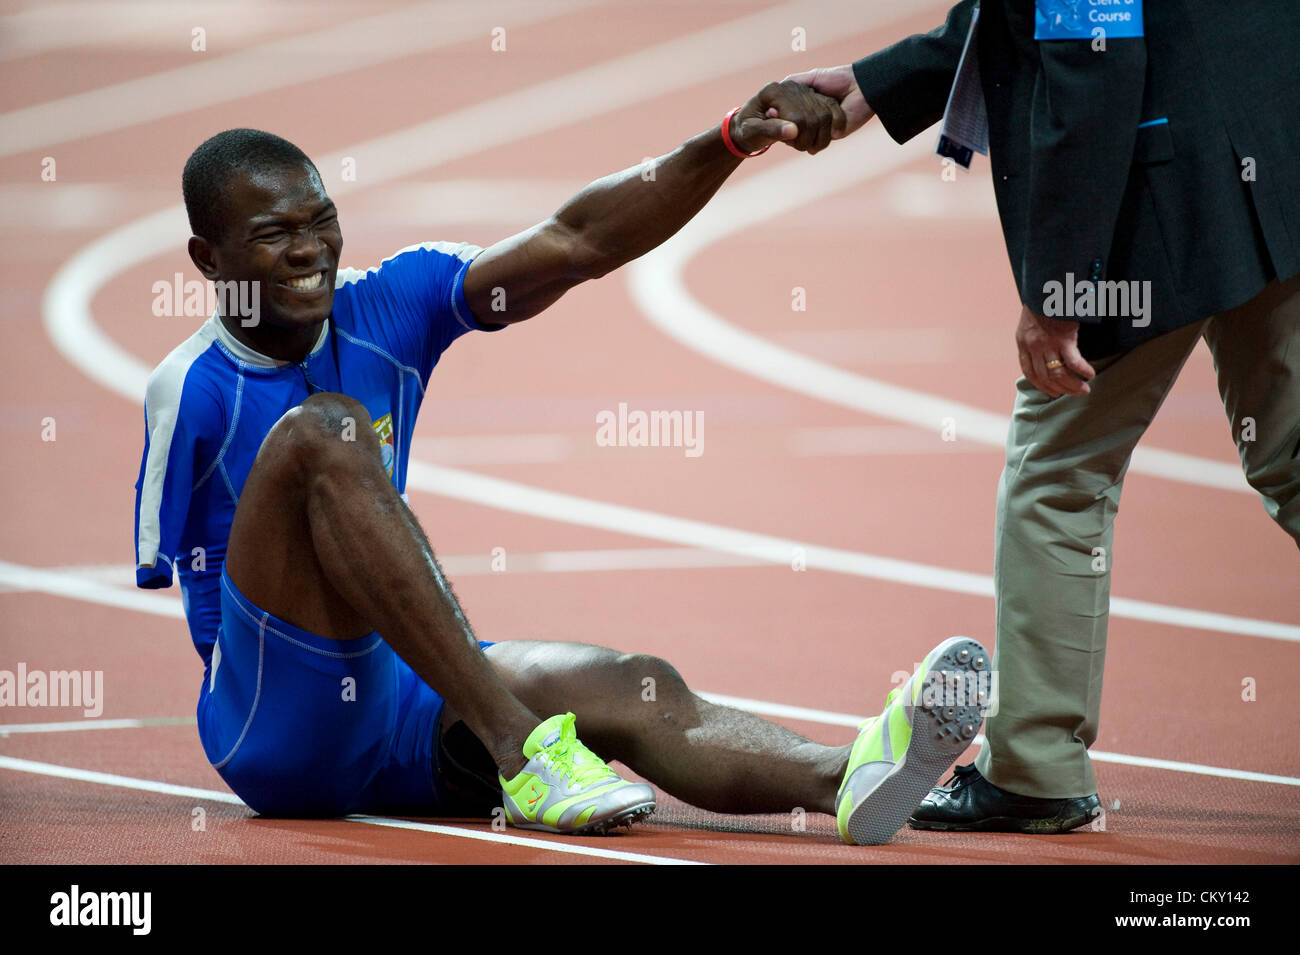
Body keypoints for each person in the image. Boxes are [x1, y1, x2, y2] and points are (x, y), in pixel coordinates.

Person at [132, 82, 990, 846]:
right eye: (275, 234)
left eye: (320, 221)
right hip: (273, 721)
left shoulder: (390, 301)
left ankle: (846, 775)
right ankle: (520, 752)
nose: (310, 249)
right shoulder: (190, 388)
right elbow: (198, 603)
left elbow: (576, 240)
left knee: (629, 684)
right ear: (209, 260)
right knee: (325, 431)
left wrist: (726, 139)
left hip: (393, 702)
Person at [789, 1, 1300, 833]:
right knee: (1291, 451)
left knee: (1060, 473)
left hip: (1164, 179)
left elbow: (1092, 61)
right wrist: (874, 88)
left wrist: (1058, 286)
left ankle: (1035, 769)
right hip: (1274, 139)